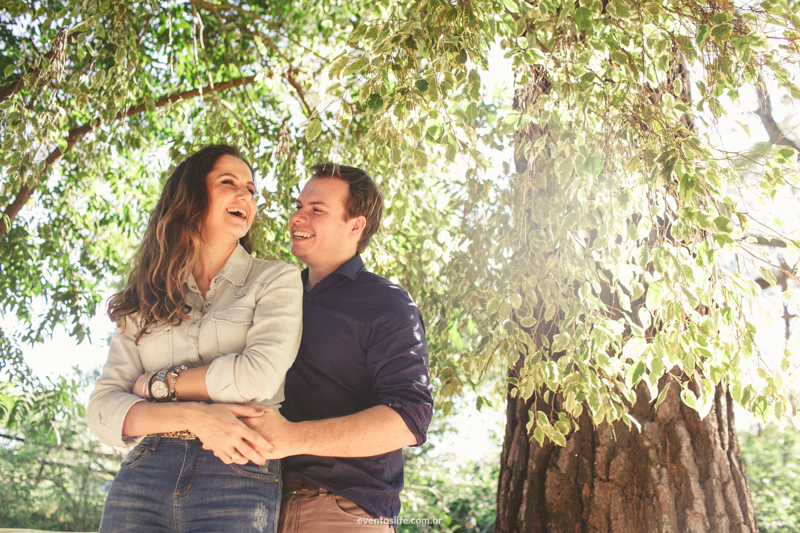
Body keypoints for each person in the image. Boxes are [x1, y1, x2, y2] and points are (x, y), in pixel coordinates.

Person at [87, 144, 303, 533]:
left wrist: (155, 386)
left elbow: (259, 378)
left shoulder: (275, 279)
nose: (246, 196)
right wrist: (196, 416)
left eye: (251, 190)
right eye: (229, 182)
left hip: (237, 467)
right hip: (145, 471)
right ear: (192, 195)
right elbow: (103, 408)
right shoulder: (145, 295)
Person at [241, 163, 434, 532]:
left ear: (355, 226)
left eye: (317, 210)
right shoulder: (273, 295)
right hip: (253, 503)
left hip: (341, 509)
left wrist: (290, 438)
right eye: (299, 206)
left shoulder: (388, 303)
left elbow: (409, 420)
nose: (299, 216)